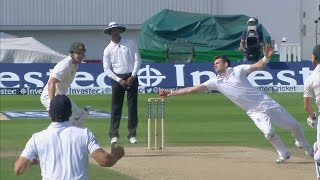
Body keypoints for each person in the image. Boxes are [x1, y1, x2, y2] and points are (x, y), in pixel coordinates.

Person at [160, 44, 313, 163]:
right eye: (214, 63)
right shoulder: (215, 81)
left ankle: (303, 144)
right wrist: (172, 93)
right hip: (254, 111)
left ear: (226, 64)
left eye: (217, 63)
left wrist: (266, 58)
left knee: (295, 125)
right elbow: (193, 89)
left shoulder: (238, 70)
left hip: (266, 102)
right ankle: (283, 152)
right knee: (269, 132)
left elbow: (258, 66)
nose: (215, 65)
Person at [14, 94, 125, 179]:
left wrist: (29, 163)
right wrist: (116, 155)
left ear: (49, 113)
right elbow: (104, 160)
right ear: (70, 113)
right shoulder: (84, 133)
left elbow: (18, 170)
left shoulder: (37, 138)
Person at [103, 22, 141, 144]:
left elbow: (137, 59)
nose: (115, 32)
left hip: (131, 76)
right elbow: (106, 68)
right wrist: (119, 80)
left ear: (119, 31)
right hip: (117, 78)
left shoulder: (130, 43)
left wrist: (133, 76)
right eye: (112, 31)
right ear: (110, 33)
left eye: (116, 30)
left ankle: (132, 134)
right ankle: (114, 134)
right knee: (116, 107)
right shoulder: (107, 49)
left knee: (132, 106)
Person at [40, 42, 91, 126]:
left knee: (79, 115)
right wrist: (54, 104)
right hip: (49, 96)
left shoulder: (75, 65)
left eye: (82, 54)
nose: (81, 56)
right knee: (62, 121)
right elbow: (51, 83)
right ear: (71, 53)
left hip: (61, 96)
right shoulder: (64, 65)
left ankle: (73, 131)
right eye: (78, 53)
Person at [303, 44, 320, 179]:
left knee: (319, 154)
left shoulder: (310, 78)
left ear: (314, 58)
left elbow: (307, 106)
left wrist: (312, 117)